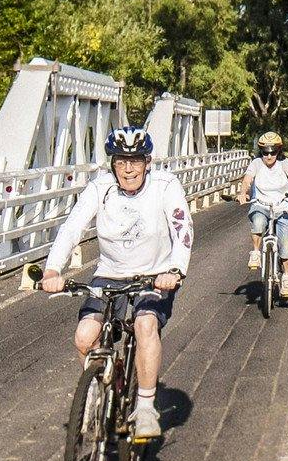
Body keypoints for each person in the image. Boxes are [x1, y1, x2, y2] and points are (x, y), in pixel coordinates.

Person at [46, 123, 189, 439]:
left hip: (155, 276)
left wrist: (176, 270)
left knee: (145, 325)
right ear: (112, 164)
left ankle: (147, 407)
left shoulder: (166, 186)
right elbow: (72, 229)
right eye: (121, 161)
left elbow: (182, 227)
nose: (128, 169)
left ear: (147, 162)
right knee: (85, 337)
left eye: (136, 160)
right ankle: (103, 383)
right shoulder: (100, 188)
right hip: (109, 274)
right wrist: (53, 270)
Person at [234, 132, 288, 302]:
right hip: (261, 203)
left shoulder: (285, 163)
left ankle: (286, 277)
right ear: (261, 152)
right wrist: (243, 193)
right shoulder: (256, 163)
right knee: (257, 222)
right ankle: (256, 253)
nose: (269, 155)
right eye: (265, 152)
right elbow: (247, 180)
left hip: (283, 205)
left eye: (273, 151)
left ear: (279, 151)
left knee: (286, 244)